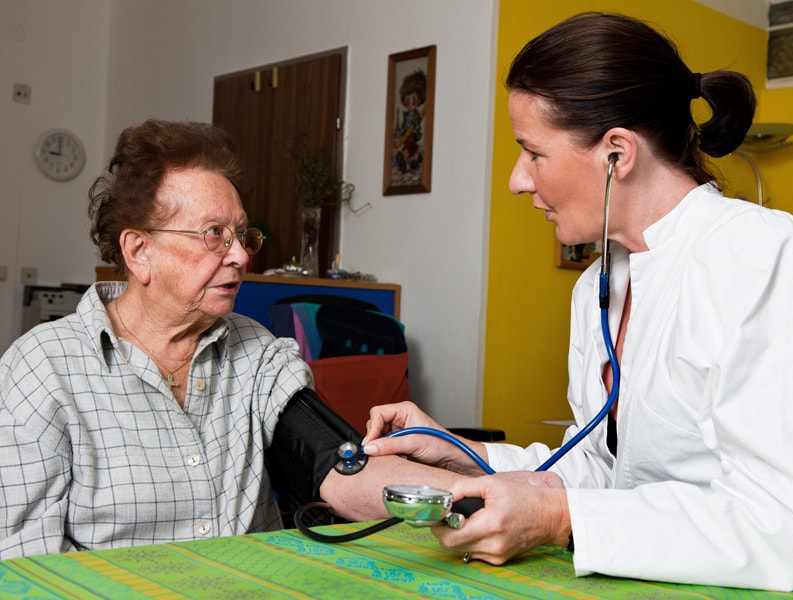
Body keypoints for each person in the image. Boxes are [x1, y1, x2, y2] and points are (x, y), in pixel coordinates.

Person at [361, 12, 793, 592]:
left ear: (617, 153)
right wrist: (459, 452)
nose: (518, 180)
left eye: (533, 153)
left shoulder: (764, 255)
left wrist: (559, 517)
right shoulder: (596, 286)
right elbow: (603, 469)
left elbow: (781, 524)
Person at [0, 118, 463, 559]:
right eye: (214, 235)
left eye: (242, 234)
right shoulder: (43, 370)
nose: (240, 255)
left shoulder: (256, 351)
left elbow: (338, 468)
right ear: (139, 251)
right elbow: (24, 562)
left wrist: (475, 493)